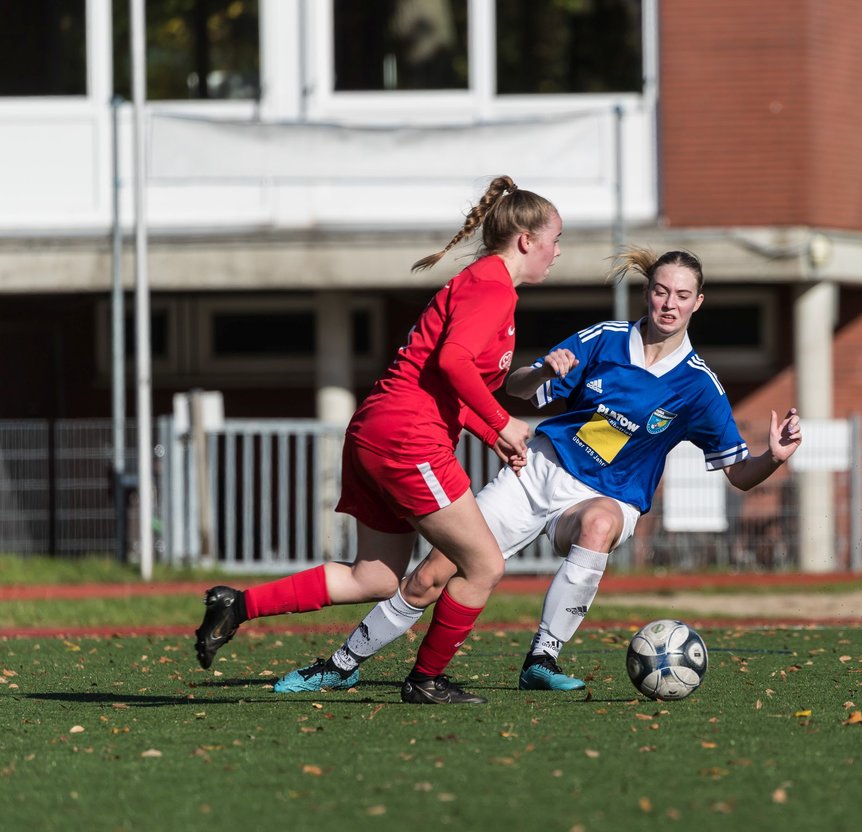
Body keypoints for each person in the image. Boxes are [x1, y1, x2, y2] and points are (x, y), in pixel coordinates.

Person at [273, 248, 803, 702]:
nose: (669, 304)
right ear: (649, 294)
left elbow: (738, 475)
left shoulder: (698, 386)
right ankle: (341, 664)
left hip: (607, 497)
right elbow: (520, 389)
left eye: (682, 295)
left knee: (598, 526)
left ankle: (541, 660)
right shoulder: (605, 339)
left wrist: (773, 457)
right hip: (537, 471)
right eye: (661, 291)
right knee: (433, 575)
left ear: (698, 303)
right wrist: (547, 369)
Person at [193, 175, 562, 706]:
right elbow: (453, 362)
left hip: (378, 430)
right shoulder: (493, 288)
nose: (556, 253)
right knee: (484, 565)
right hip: (409, 438)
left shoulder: (483, 283)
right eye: (554, 240)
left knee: (374, 577)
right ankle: (426, 680)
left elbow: (445, 381)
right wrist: (503, 422)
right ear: (527, 240)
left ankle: (237, 605)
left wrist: (489, 431)